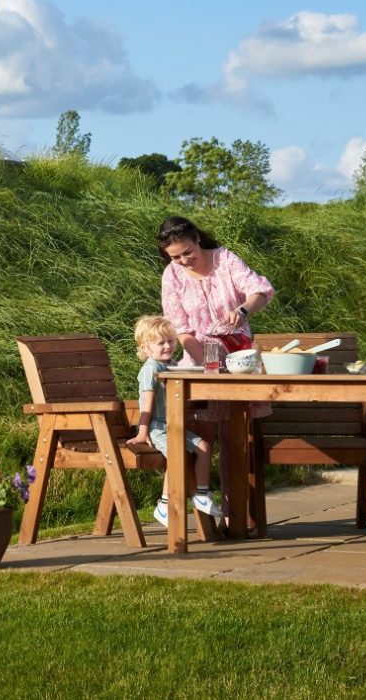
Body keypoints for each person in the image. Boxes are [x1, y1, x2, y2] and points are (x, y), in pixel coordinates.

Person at [156, 215, 276, 418]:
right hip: (199, 361)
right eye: (175, 257)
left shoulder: (226, 260)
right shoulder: (172, 275)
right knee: (203, 427)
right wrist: (206, 366)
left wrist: (242, 310)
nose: (184, 261)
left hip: (239, 362)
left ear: (197, 239)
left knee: (235, 431)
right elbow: (182, 330)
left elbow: (261, 292)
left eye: (187, 252)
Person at [126, 315, 221, 526]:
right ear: (146, 347)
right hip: (158, 427)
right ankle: (164, 505)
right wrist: (142, 432)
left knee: (204, 447)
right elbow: (147, 404)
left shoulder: (172, 365)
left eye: (170, 341)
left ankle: (202, 495)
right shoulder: (151, 369)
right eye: (160, 343)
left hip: (175, 426)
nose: (167, 346)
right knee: (177, 455)